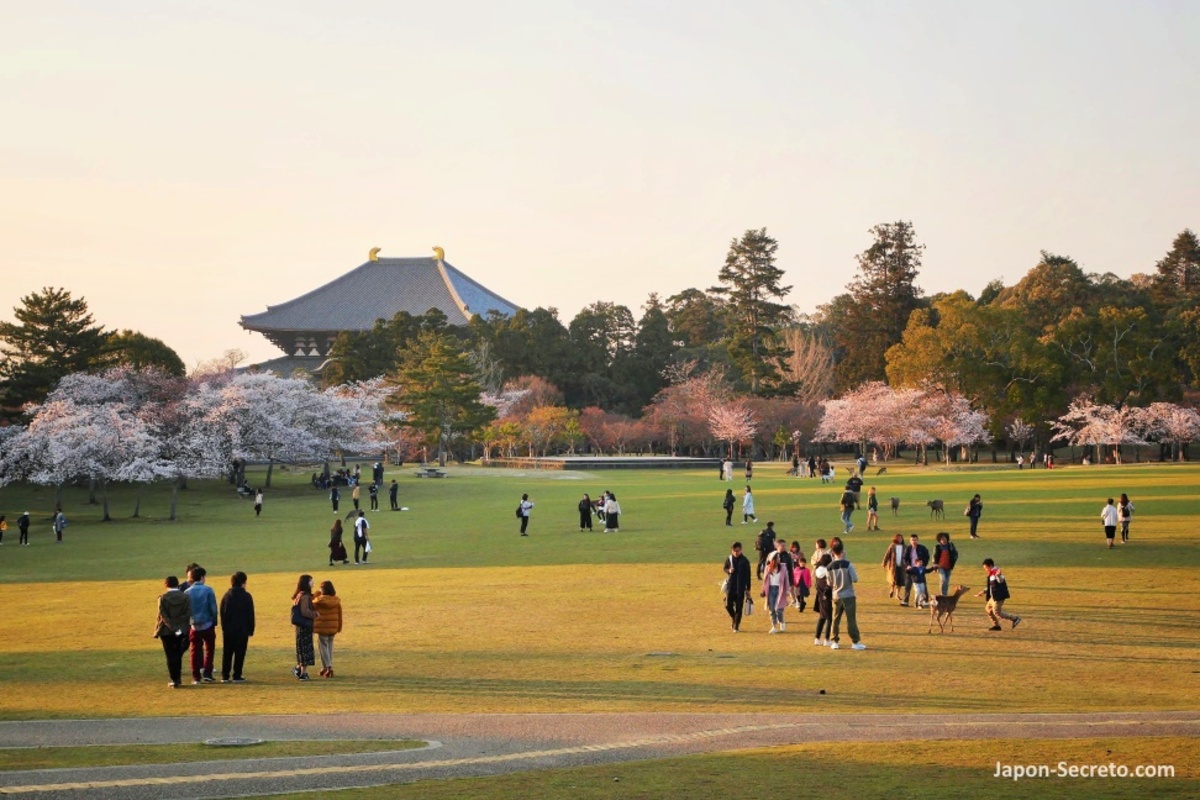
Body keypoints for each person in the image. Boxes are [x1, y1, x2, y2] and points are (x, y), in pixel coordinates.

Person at [827, 541, 866, 650]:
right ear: (842, 551)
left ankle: (835, 641)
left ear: (833, 552)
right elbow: (855, 579)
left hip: (836, 595)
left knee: (835, 619)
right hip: (848, 595)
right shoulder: (848, 564)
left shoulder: (829, 567)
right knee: (851, 619)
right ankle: (855, 642)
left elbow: (829, 583)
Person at [154, 576, 191, 689]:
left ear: (166, 585)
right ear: (178, 584)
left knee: (170, 655)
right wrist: (178, 626)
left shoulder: (163, 598)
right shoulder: (185, 597)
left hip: (166, 631)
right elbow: (187, 613)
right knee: (177, 652)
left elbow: (163, 615)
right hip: (181, 630)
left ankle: (174, 679)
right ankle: (178, 677)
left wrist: (172, 626)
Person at [219, 571, 255, 683]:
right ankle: (237, 675)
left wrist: (224, 627)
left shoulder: (226, 596)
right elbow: (250, 614)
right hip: (242, 629)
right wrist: (251, 629)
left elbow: (222, 613)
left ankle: (225, 675)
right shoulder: (246, 596)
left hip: (228, 629)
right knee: (240, 653)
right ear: (243, 583)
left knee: (227, 652)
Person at [185, 567, 218, 684]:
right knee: (209, 649)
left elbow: (186, 610)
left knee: (194, 651)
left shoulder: (187, 592)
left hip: (194, 625)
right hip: (207, 624)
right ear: (202, 577)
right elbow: (213, 608)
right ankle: (208, 673)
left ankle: (196, 677)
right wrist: (214, 621)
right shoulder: (208, 590)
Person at [976, 558, 1021, 631]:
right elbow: (991, 586)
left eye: (986, 568)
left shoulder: (996, 572)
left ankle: (1015, 618)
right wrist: (984, 591)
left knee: (997, 612)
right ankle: (996, 626)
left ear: (990, 566)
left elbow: (1000, 580)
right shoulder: (991, 574)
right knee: (988, 609)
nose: (985, 570)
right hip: (993, 596)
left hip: (998, 597)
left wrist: (998, 575)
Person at [313, 580, 343, 678]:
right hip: (333, 627)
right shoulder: (336, 601)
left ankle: (328, 667)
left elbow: (311, 602)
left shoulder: (319, 601)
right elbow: (340, 615)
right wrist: (339, 627)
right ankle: (325, 667)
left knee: (323, 647)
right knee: (329, 647)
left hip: (322, 627)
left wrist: (317, 593)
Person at [291, 574, 318, 680]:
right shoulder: (305, 596)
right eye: (311, 581)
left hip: (300, 626)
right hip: (305, 625)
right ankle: (303, 673)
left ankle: (298, 669)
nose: (313, 582)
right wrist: (315, 614)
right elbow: (305, 611)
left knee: (301, 648)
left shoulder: (299, 595)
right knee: (306, 649)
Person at [762, 544, 792, 634]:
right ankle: (774, 626)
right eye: (777, 558)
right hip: (770, 590)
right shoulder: (768, 568)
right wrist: (763, 590)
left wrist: (788, 590)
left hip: (780, 590)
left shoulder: (783, 567)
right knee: (772, 609)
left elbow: (786, 579)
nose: (779, 559)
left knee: (779, 609)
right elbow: (765, 580)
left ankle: (782, 622)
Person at [723, 542, 752, 632]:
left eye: (737, 551)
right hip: (731, 586)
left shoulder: (745, 561)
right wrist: (729, 570)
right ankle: (734, 618)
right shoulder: (729, 559)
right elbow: (725, 568)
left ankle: (736, 626)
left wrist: (748, 589)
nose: (736, 553)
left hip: (740, 587)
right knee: (728, 605)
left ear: (741, 550)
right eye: (734, 551)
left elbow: (748, 576)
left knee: (739, 607)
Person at [900, 534, 930, 608]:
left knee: (923, 586)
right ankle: (905, 601)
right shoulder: (908, 548)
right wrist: (908, 565)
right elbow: (904, 558)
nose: (914, 541)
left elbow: (927, 556)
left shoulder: (922, 548)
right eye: (912, 540)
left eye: (915, 540)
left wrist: (923, 565)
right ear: (910, 541)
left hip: (919, 570)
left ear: (918, 540)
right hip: (911, 569)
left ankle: (925, 601)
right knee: (908, 586)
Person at [813, 553, 833, 646]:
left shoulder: (817, 571)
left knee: (822, 617)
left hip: (820, 597)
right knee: (829, 619)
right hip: (827, 597)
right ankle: (826, 639)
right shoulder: (827, 573)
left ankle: (817, 638)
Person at [931, 532, 959, 597]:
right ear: (939, 540)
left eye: (944, 538)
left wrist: (954, 560)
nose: (943, 540)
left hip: (949, 566)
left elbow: (955, 553)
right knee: (943, 580)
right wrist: (934, 567)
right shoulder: (937, 547)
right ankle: (943, 594)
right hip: (940, 566)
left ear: (947, 538)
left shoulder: (951, 545)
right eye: (941, 539)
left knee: (947, 581)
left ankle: (945, 594)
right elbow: (934, 556)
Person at [881, 534, 905, 600]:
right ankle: (892, 589)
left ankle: (897, 595)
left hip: (902, 567)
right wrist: (884, 563)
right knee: (893, 579)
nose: (900, 540)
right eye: (898, 538)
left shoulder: (904, 547)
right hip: (893, 566)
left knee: (900, 581)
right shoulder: (892, 546)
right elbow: (887, 554)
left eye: (901, 538)